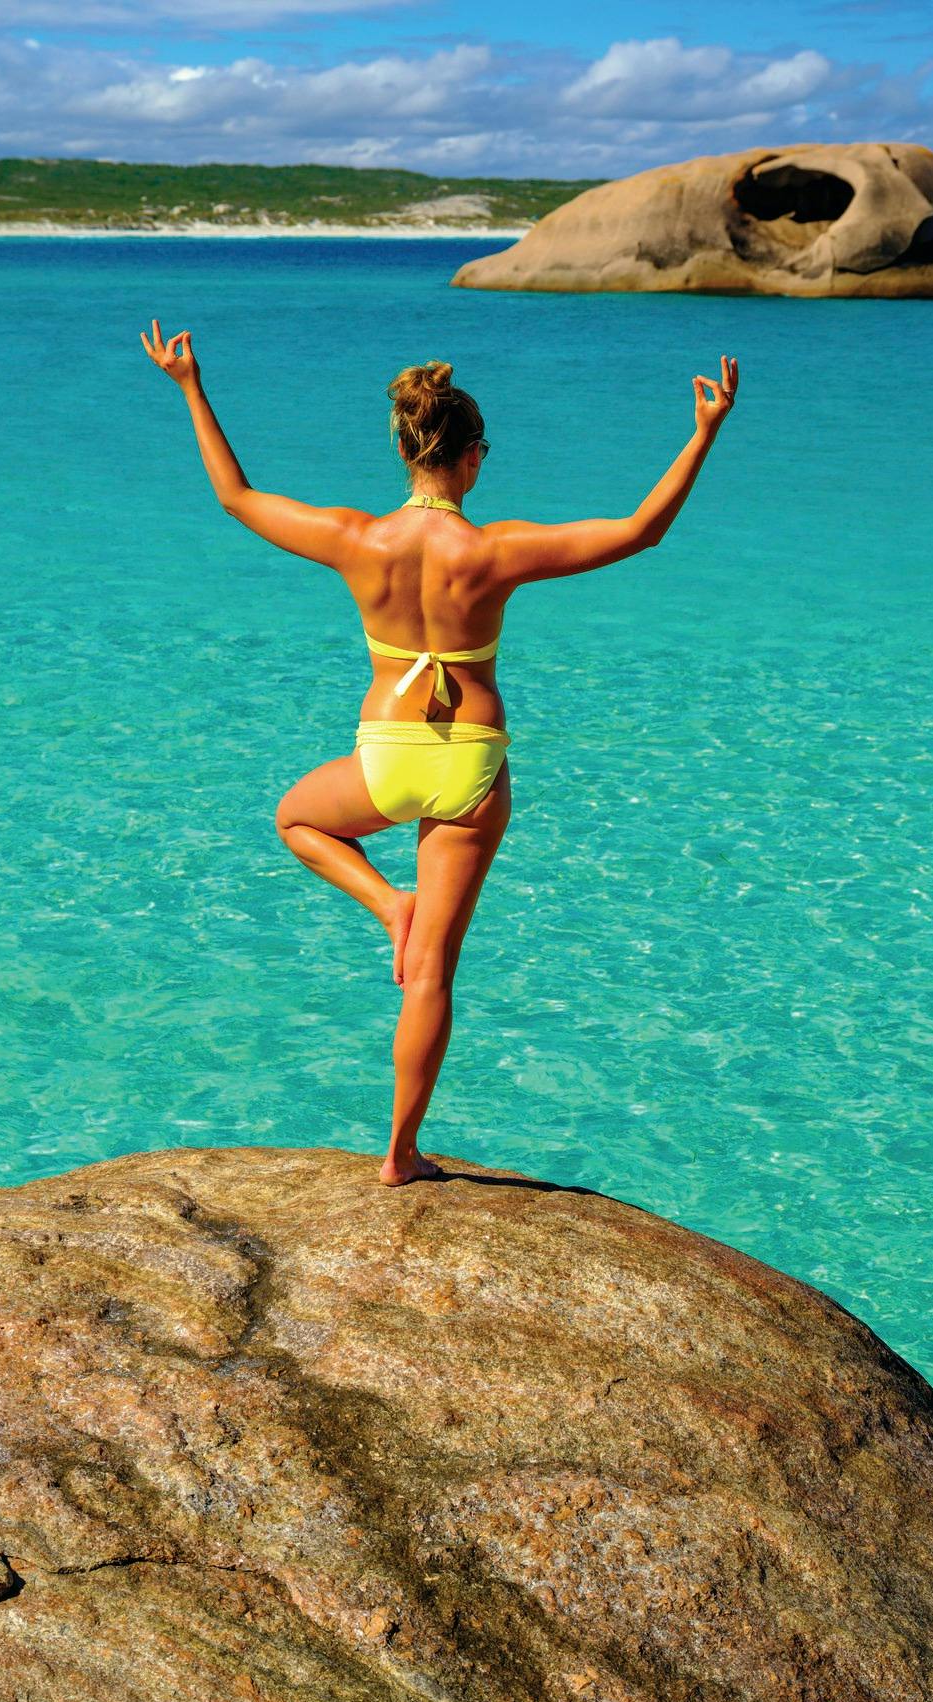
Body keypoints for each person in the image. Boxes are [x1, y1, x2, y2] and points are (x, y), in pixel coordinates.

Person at [140, 319, 737, 1185]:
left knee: (297, 820)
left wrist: (189, 385)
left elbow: (236, 496)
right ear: (473, 458)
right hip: (471, 765)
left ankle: (388, 904)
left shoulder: (355, 539)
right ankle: (399, 1153)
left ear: (403, 448)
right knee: (432, 975)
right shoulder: (494, 550)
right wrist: (703, 431)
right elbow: (641, 529)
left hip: (385, 756)